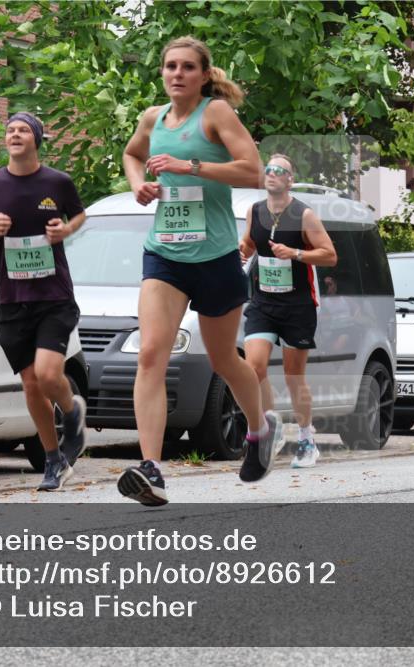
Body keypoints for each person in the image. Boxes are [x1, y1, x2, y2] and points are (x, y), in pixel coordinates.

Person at [116, 36, 279, 507]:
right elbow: (132, 154)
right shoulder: (153, 118)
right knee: (150, 354)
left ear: (204, 75)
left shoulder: (215, 115)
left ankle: (259, 428)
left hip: (215, 257)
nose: (177, 74)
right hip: (165, 254)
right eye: (170, 66)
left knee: (225, 359)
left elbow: (253, 172)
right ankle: (152, 469)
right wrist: (139, 185)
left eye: (188, 67)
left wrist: (192, 166)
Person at [0, 112, 88, 490]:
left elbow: (79, 215)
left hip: (54, 296)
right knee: (31, 385)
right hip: (13, 300)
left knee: (49, 374)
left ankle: (71, 413)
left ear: (36, 139)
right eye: (10, 130)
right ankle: (54, 459)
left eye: (23, 130)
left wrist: (65, 230)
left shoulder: (57, 182)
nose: (15, 134)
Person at [239, 154, 337, 468]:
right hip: (263, 303)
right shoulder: (254, 212)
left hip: (298, 304)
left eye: (280, 170)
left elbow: (329, 255)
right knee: (253, 367)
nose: (272, 174)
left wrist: (295, 253)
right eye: (268, 169)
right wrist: (242, 250)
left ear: (289, 180)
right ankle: (271, 426)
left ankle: (307, 441)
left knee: (295, 376)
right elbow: (249, 245)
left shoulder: (303, 215)